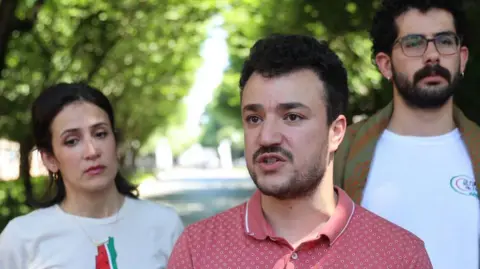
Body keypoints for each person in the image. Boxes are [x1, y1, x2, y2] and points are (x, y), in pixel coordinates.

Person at [167, 34, 433, 268]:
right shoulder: (197, 251)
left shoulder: (400, 257)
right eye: (254, 118)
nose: (267, 137)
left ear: (336, 132)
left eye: (292, 117)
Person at [333, 0, 479, 268]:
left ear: (463, 58)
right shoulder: (341, 152)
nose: (432, 56)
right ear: (385, 65)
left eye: (445, 41)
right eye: (414, 43)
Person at [0, 82, 184, 268]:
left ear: (115, 143)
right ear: (49, 159)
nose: (92, 151)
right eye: (72, 141)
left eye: (100, 134)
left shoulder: (165, 224)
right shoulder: (22, 238)